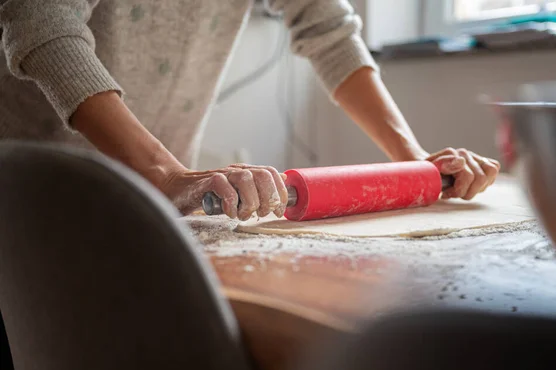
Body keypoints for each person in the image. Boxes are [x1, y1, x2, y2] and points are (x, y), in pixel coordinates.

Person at [0, 0, 500, 220]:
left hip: (159, 199)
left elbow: (330, 32)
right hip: (33, 189)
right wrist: (163, 173)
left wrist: (414, 166)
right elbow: (42, 22)